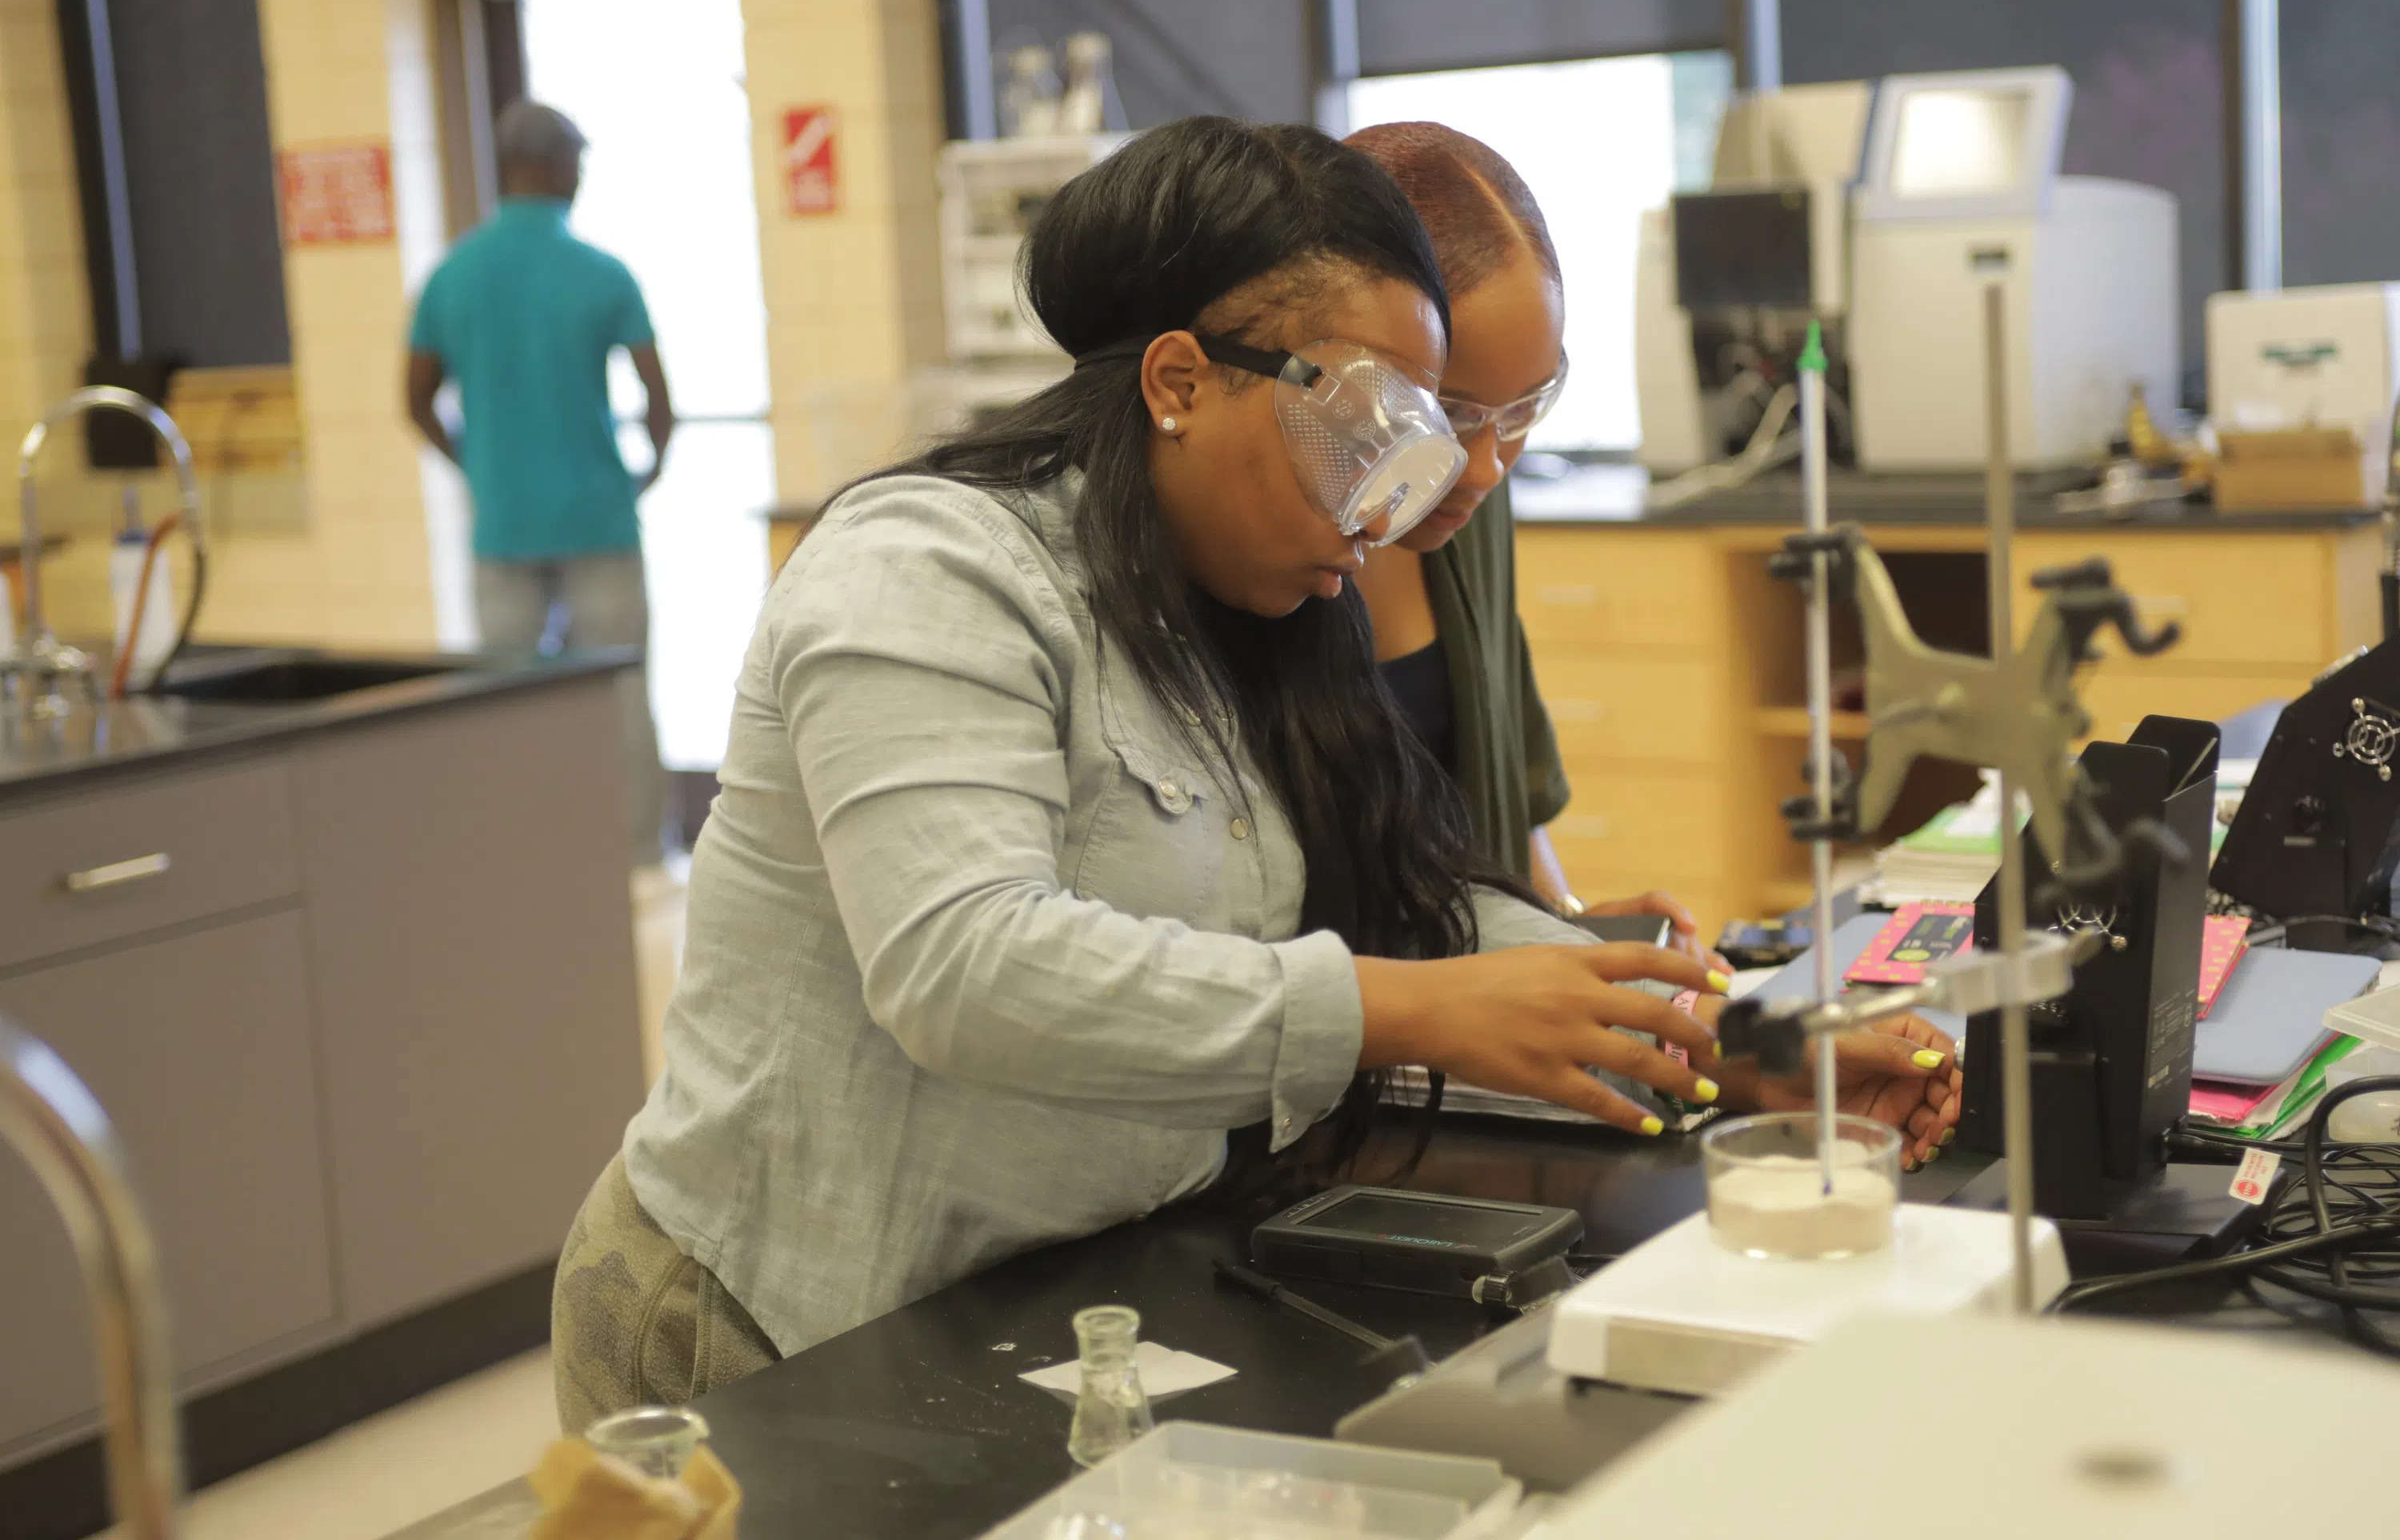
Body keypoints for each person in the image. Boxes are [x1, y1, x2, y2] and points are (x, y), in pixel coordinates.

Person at [549, 116, 1959, 1429]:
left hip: (1039, 1296)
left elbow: (1413, 897)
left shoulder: (1272, 599)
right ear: (1179, 380)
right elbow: (962, 967)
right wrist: (1405, 1009)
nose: (1410, 493)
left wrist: (1728, 1038)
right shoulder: (929, 572)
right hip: (770, 1320)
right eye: (1378, 425)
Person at [1346, 121, 1962, 1147]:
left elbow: (1490, 805)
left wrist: (1579, 934)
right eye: (1454, 414)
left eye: (1527, 406)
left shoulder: (1466, 498)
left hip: (1479, 1049)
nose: (1492, 462)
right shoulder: (1282, 563)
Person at [406, 99, 676, 866]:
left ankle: (518, 857)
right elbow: (661, 401)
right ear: (558, 167)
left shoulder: (452, 276)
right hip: (597, 513)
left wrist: (476, 464)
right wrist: (645, 471)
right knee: (619, 697)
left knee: (506, 703)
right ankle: (637, 861)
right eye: (578, 163)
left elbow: (415, 400)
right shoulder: (602, 273)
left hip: (505, 522)